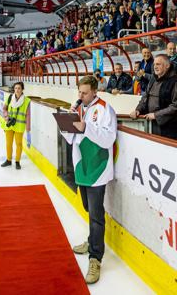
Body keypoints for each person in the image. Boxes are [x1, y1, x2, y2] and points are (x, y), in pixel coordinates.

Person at [68, 75, 116, 284]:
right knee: (88, 207)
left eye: (84, 93)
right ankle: (91, 241)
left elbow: (108, 139)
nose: (81, 96)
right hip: (82, 166)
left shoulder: (105, 109)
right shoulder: (80, 107)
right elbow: (72, 137)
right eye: (79, 92)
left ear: (95, 91)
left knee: (96, 215)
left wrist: (86, 127)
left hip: (98, 167)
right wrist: (67, 123)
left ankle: (95, 257)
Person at [135, 54, 177, 138]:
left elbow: (175, 106)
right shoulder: (153, 79)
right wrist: (138, 109)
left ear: (167, 66)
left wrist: (156, 115)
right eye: (154, 64)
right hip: (151, 124)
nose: (155, 67)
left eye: (158, 64)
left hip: (170, 129)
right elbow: (145, 97)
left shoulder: (174, 81)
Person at [0, 82, 31, 169]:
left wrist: (28, 129)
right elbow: (4, 108)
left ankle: (17, 161)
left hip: (19, 126)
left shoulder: (27, 101)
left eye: (19, 88)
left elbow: (28, 115)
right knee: (8, 144)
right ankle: (8, 160)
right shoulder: (9, 97)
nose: (17, 90)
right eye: (15, 88)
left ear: (22, 89)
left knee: (19, 144)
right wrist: (6, 116)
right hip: (9, 125)